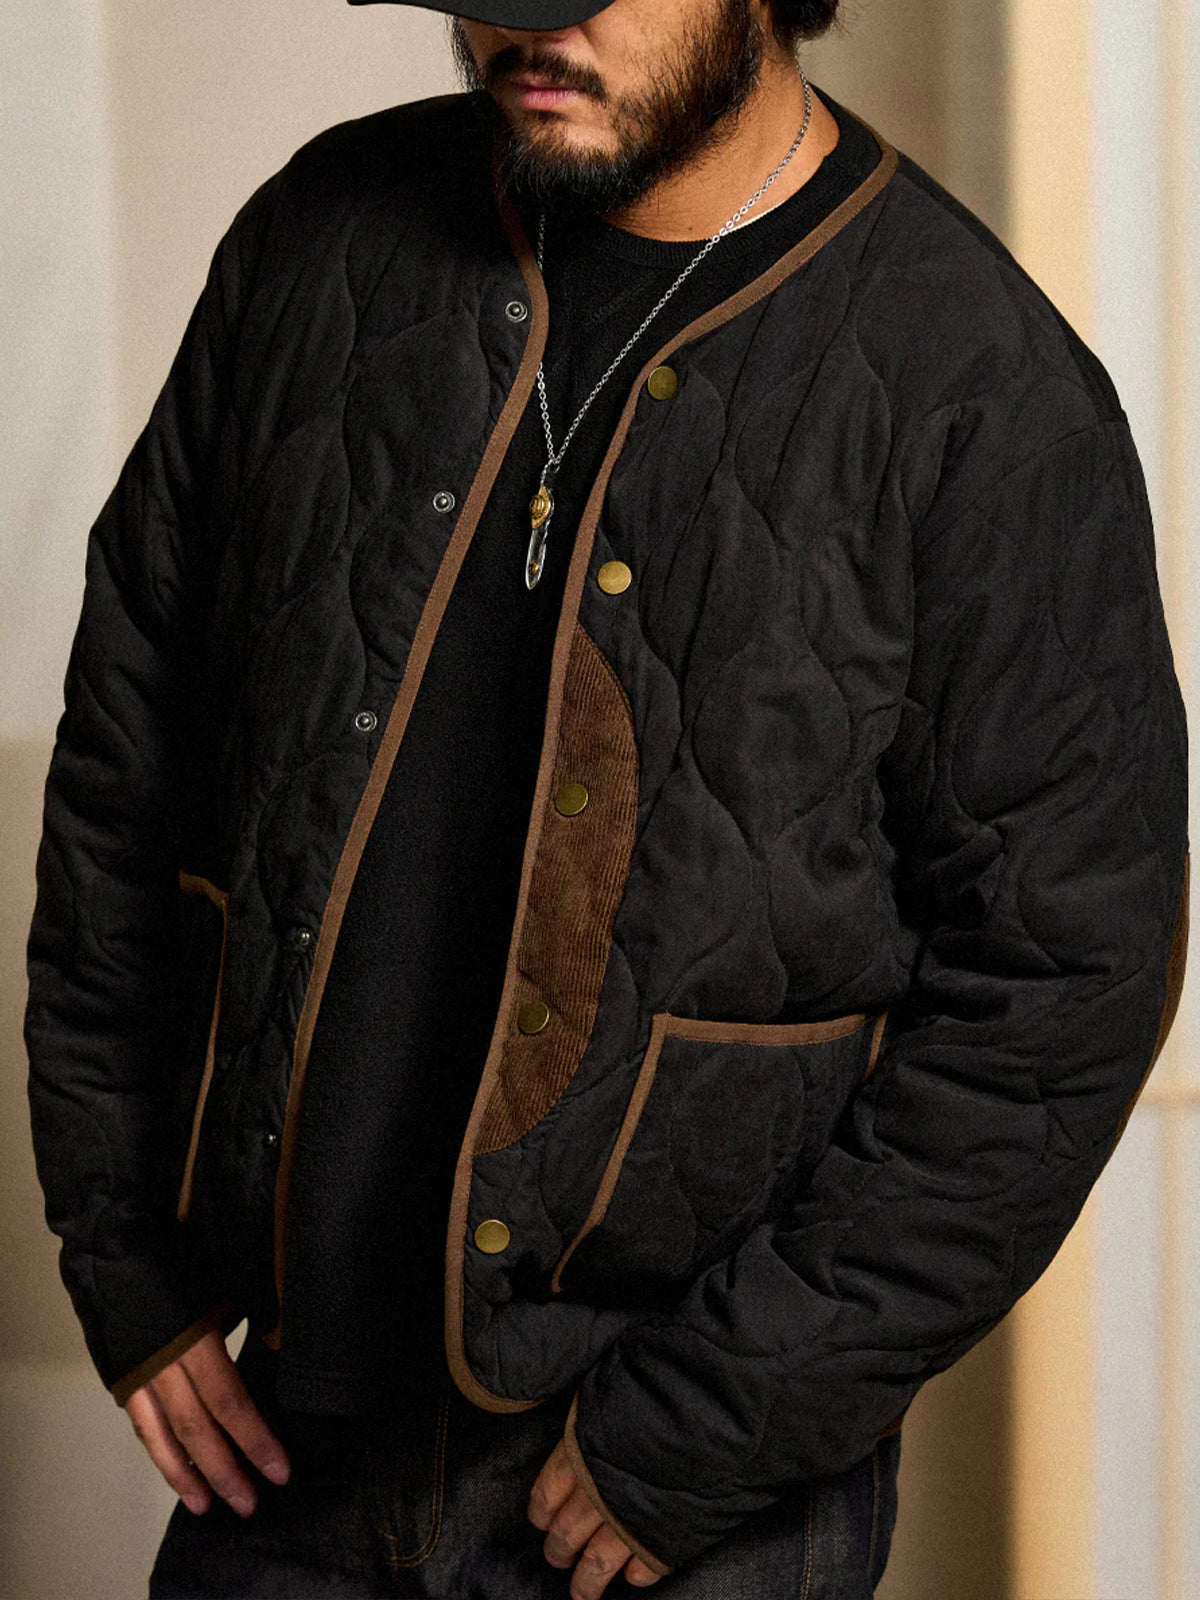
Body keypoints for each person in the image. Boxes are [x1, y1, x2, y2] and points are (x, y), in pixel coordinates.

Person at [24, 0, 1189, 1591]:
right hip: (286, 1459)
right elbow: (126, 764)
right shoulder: (321, 244)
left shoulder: (979, 386)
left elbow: (1066, 979)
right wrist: (126, 1257)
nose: (532, 27)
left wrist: (711, 1423)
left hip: (668, 1507)